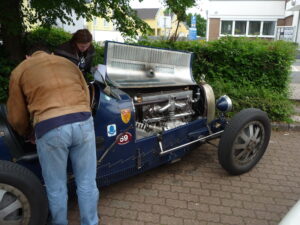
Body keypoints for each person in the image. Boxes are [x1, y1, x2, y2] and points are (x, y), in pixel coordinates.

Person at [7, 48, 99, 225]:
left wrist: (28, 132)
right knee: (87, 182)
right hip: (83, 120)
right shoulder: (67, 63)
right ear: (48, 53)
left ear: (28, 56)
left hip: (50, 126)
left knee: (56, 187)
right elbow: (86, 92)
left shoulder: (21, 69)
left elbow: (16, 115)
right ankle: (91, 222)